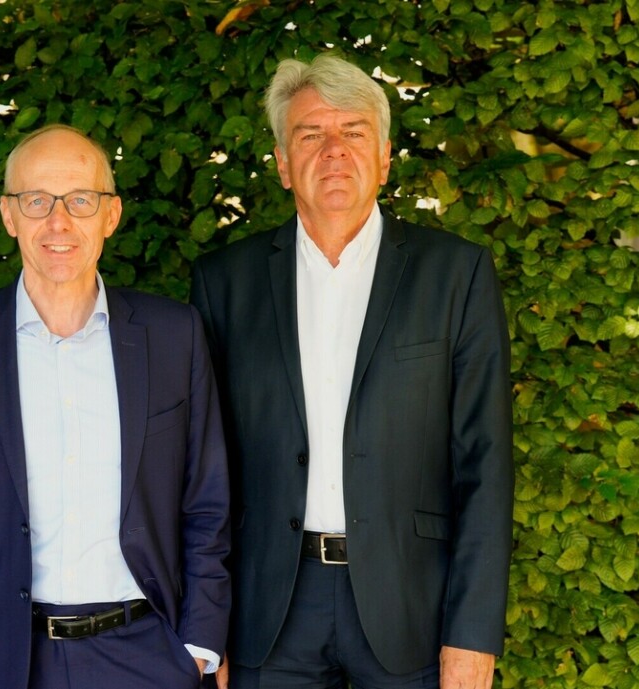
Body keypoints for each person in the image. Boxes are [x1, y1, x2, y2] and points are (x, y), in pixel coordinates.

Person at [190, 54, 513, 689]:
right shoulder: (225, 283)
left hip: (410, 608)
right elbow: (205, 468)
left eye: (354, 133)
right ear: (283, 165)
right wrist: (208, 623)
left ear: (386, 156)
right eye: (311, 135)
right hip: (266, 614)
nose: (333, 151)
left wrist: (472, 634)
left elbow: (485, 463)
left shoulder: (457, 275)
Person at [0, 124, 230, 689]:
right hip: (5, 662)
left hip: (148, 656)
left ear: (111, 215)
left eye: (81, 201)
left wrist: (199, 646)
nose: (59, 223)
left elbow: (206, 502)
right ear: (9, 216)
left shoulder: (173, 335)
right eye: (36, 201)